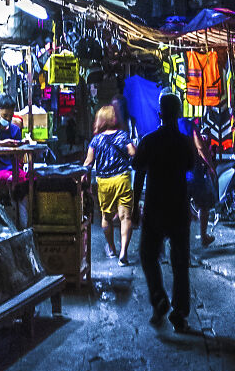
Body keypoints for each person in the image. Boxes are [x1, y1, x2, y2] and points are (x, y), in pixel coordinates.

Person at [133, 92, 197, 332]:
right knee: (180, 262)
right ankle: (179, 312)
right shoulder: (183, 142)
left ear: (160, 114)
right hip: (178, 207)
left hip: (155, 207)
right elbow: (191, 167)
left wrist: (133, 207)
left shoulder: (149, 140)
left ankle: (159, 299)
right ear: (178, 114)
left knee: (148, 255)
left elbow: (138, 172)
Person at [83, 104, 136, 263]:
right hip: (122, 179)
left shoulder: (96, 140)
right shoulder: (122, 135)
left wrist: (82, 178)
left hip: (104, 182)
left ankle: (112, 248)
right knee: (125, 216)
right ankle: (123, 254)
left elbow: (88, 162)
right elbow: (133, 152)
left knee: (106, 216)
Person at [189, 118, 218, 247]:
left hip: (176, 174)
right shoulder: (189, 125)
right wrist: (211, 166)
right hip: (194, 173)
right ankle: (203, 236)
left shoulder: (164, 127)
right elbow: (200, 146)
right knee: (203, 205)